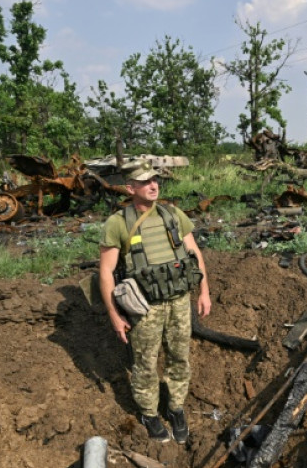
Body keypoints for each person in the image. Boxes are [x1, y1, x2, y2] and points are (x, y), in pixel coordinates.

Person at [98, 159, 211, 444]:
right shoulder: (117, 223)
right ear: (130, 187)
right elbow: (106, 273)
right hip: (144, 307)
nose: (153, 185)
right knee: (145, 363)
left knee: (179, 357)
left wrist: (204, 291)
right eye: (146, 182)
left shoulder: (173, 214)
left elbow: (194, 253)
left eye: (155, 180)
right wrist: (113, 315)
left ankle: (175, 408)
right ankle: (149, 413)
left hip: (179, 301)